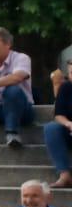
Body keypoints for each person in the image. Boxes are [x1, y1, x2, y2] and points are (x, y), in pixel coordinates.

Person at [46, 57, 72, 189]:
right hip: (70, 131)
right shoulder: (66, 87)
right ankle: (65, 174)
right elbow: (59, 115)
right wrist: (69, 124)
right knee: (51, 128)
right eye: (71, 73)